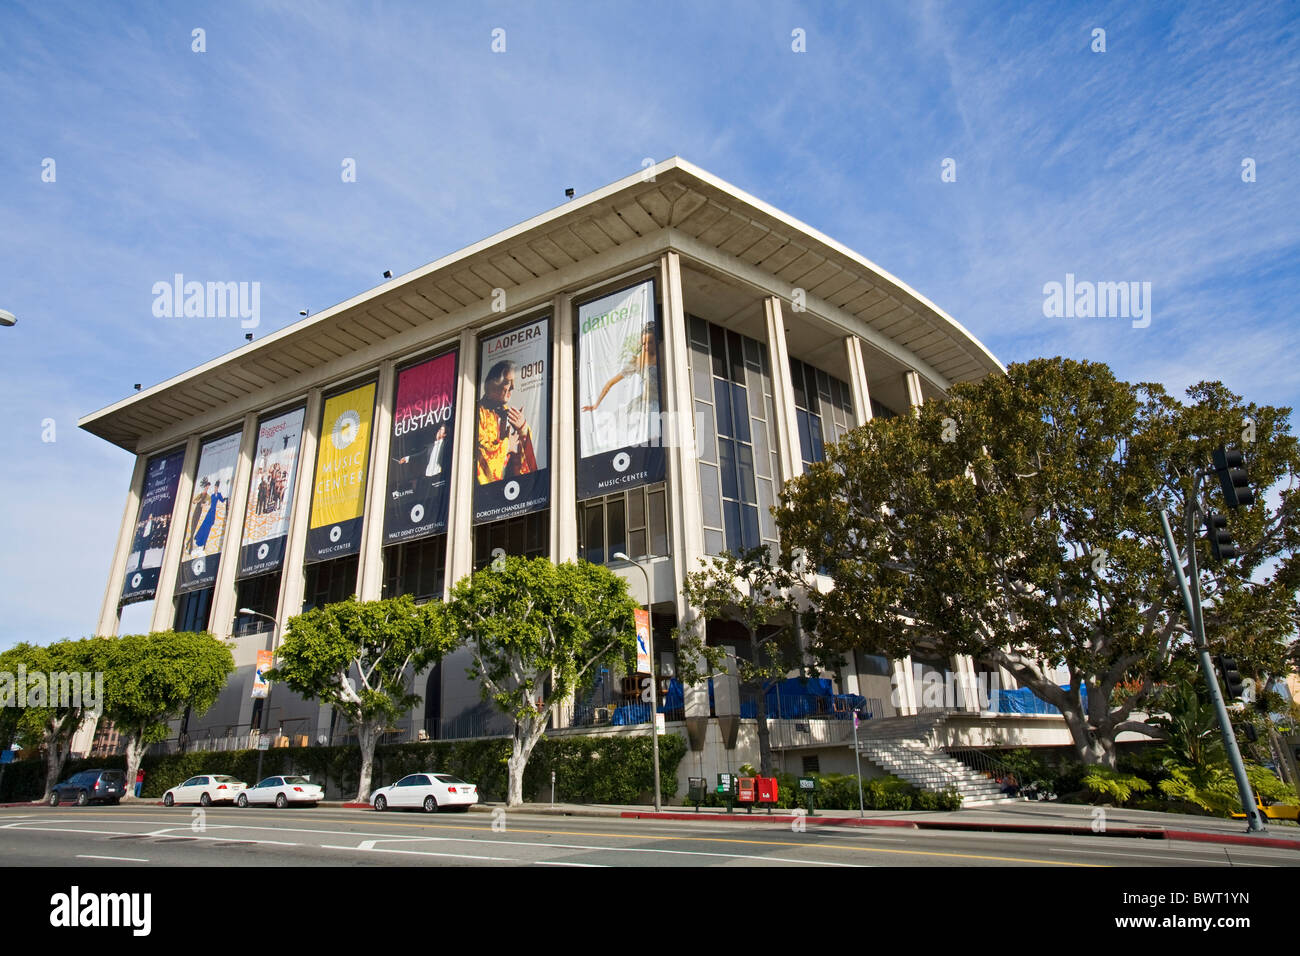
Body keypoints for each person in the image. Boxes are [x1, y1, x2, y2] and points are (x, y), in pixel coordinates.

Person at [582, 322, 659, 447]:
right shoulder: (638, 361)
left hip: (661, 402)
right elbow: (610, 383)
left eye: (649, 342)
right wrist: (596, 405)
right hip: (646, 405)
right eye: (643, 343)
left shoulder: (664, 354)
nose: (646, 346)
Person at [476, 360, 536, 483]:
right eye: (508, 382)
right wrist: (507, 446)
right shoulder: (477, 413)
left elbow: (527, 462)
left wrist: (522, 429)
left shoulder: (509, 413)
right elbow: (479, 452)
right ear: (493, 385)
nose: (513, 387)